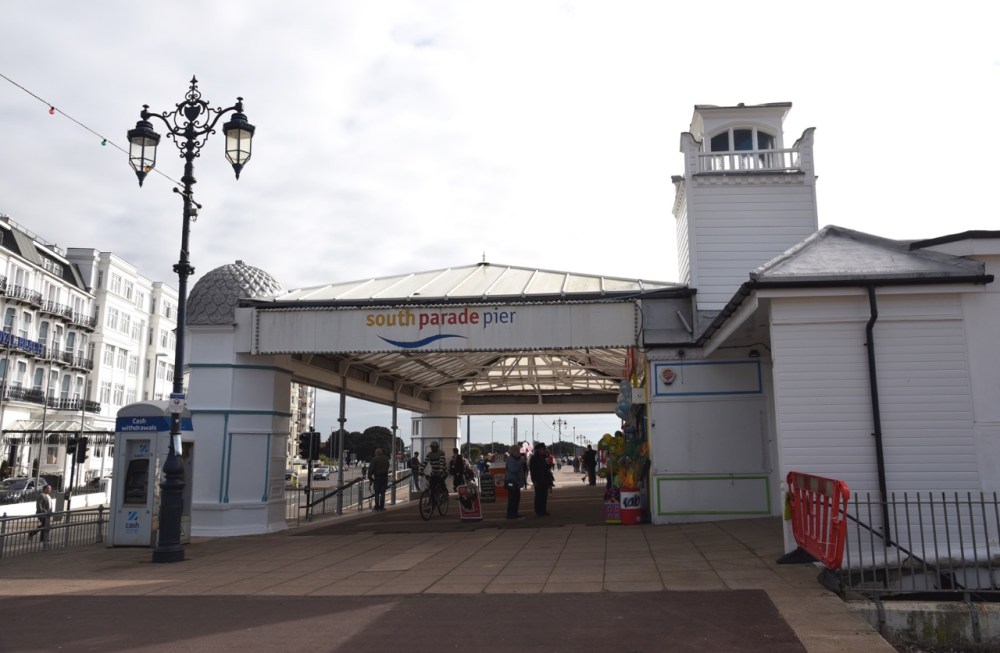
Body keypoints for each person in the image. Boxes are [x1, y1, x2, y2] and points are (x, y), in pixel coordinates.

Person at [529, 443, 554, 516]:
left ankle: (543, 510)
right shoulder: (534, 458)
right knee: (539, 496)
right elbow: (532, 470)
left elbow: (547, 467)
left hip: (544, 479)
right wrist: (534, 480)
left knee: (544, 495)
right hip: (538, 479)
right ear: (539, 449)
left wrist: (549, 464)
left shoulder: (544, 457)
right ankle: (538, 511)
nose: (545, 450)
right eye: (543, 449)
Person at [27, 484, 53, 549]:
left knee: (45, 526)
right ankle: (43, 539)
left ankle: (32, 534)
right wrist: (41, 512)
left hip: (47, 514)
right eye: (48, 488)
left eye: (50, 488)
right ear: (45, 489)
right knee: (45, 525)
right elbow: (39, 505)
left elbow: (49, 505)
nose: (50, 489)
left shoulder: (49, 496)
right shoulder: (42, 495)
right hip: (42, 514)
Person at [504, 446, 525, 519]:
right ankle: (511, 514)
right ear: (513, 451)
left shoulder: (516, 459)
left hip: (515, 482)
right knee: (513, 499)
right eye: (517, 451)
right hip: (512, 481)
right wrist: (520, 462)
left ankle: (514, 513)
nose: (519, 452)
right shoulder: (511, 459)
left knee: (516, 498)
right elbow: (513, 469)